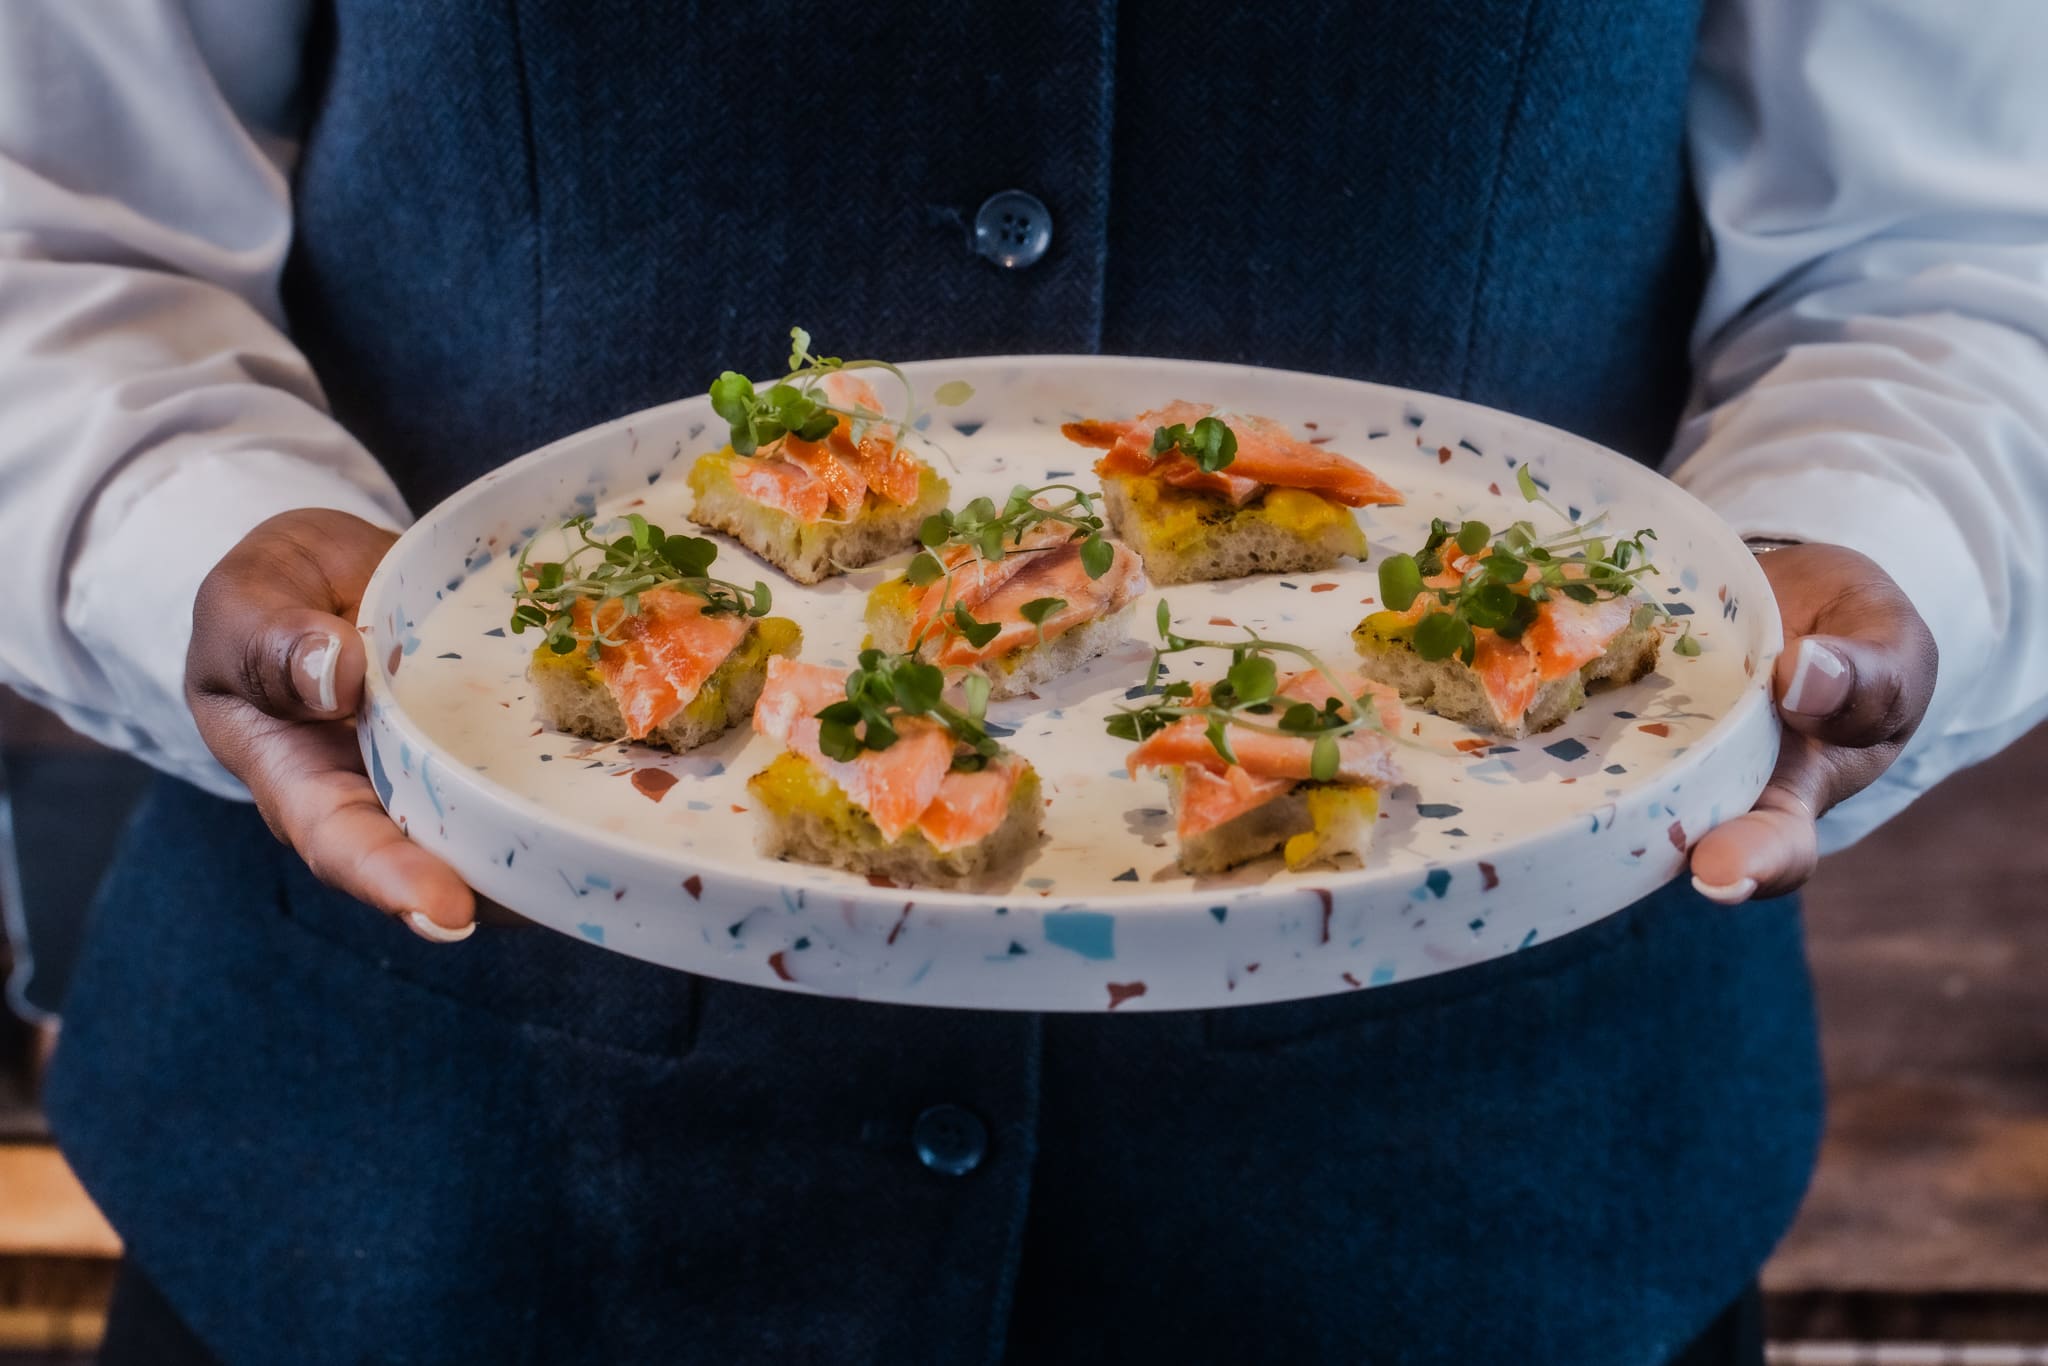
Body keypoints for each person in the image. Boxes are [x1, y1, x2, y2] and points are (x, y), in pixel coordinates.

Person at [2, 2, 2044, 1362]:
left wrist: (1863, 546)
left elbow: (1949, 243)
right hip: (419, 1200)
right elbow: (51, 210)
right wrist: (187, 531)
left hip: (1501, 1204)